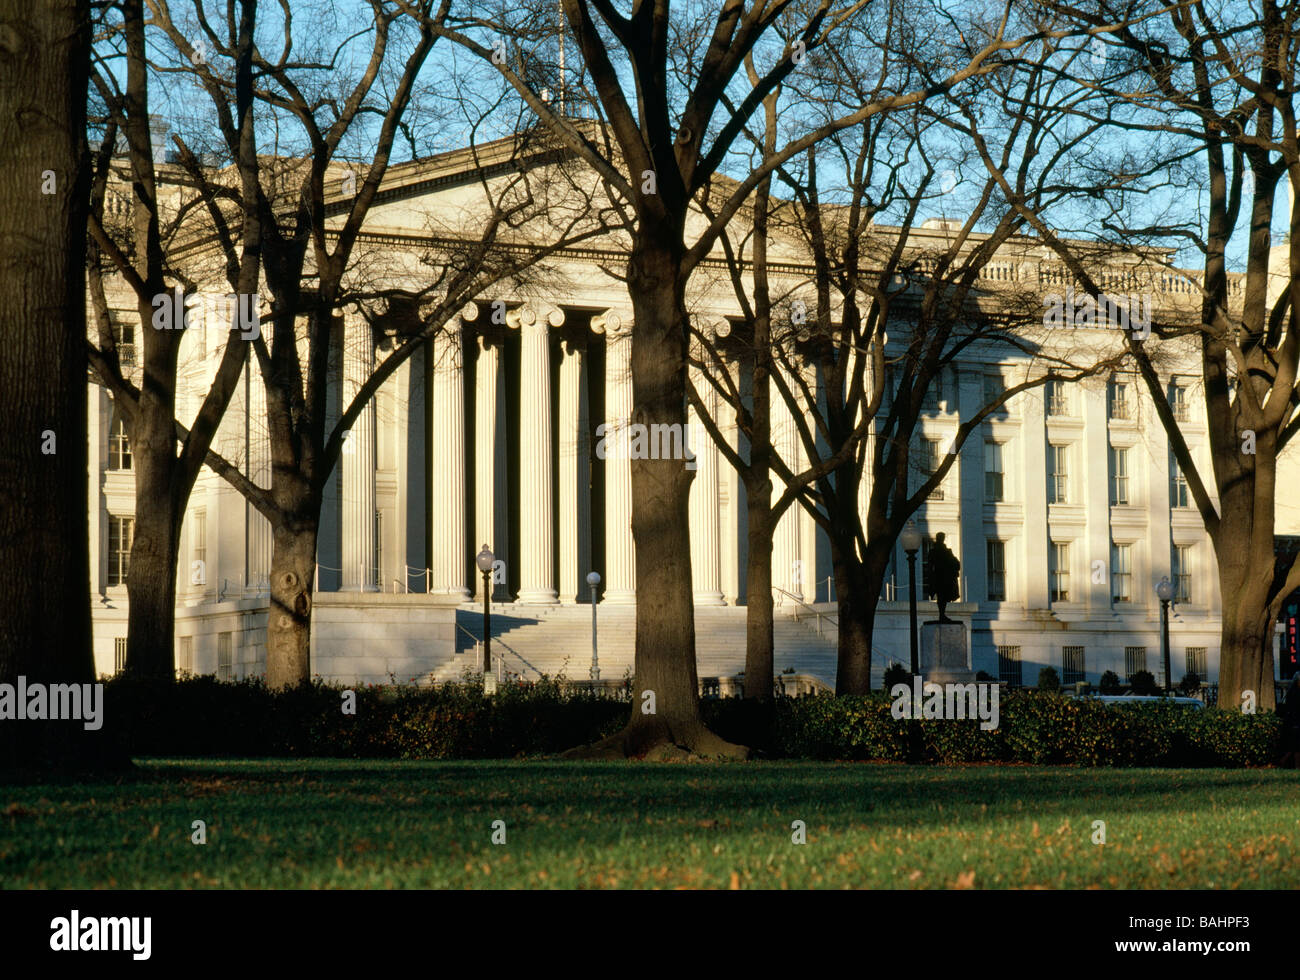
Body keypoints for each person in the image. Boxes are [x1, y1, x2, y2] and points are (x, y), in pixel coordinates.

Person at [924, 531, 960, 623]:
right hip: (939, 577)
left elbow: (956, 564)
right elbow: (930, 566)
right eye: (941, 538)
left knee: (943, 597)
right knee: (941, 597)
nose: (942, 539)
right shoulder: (937, 552)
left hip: (944, 578)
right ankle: (941, 615)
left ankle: (942, 615)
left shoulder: (946, 551)